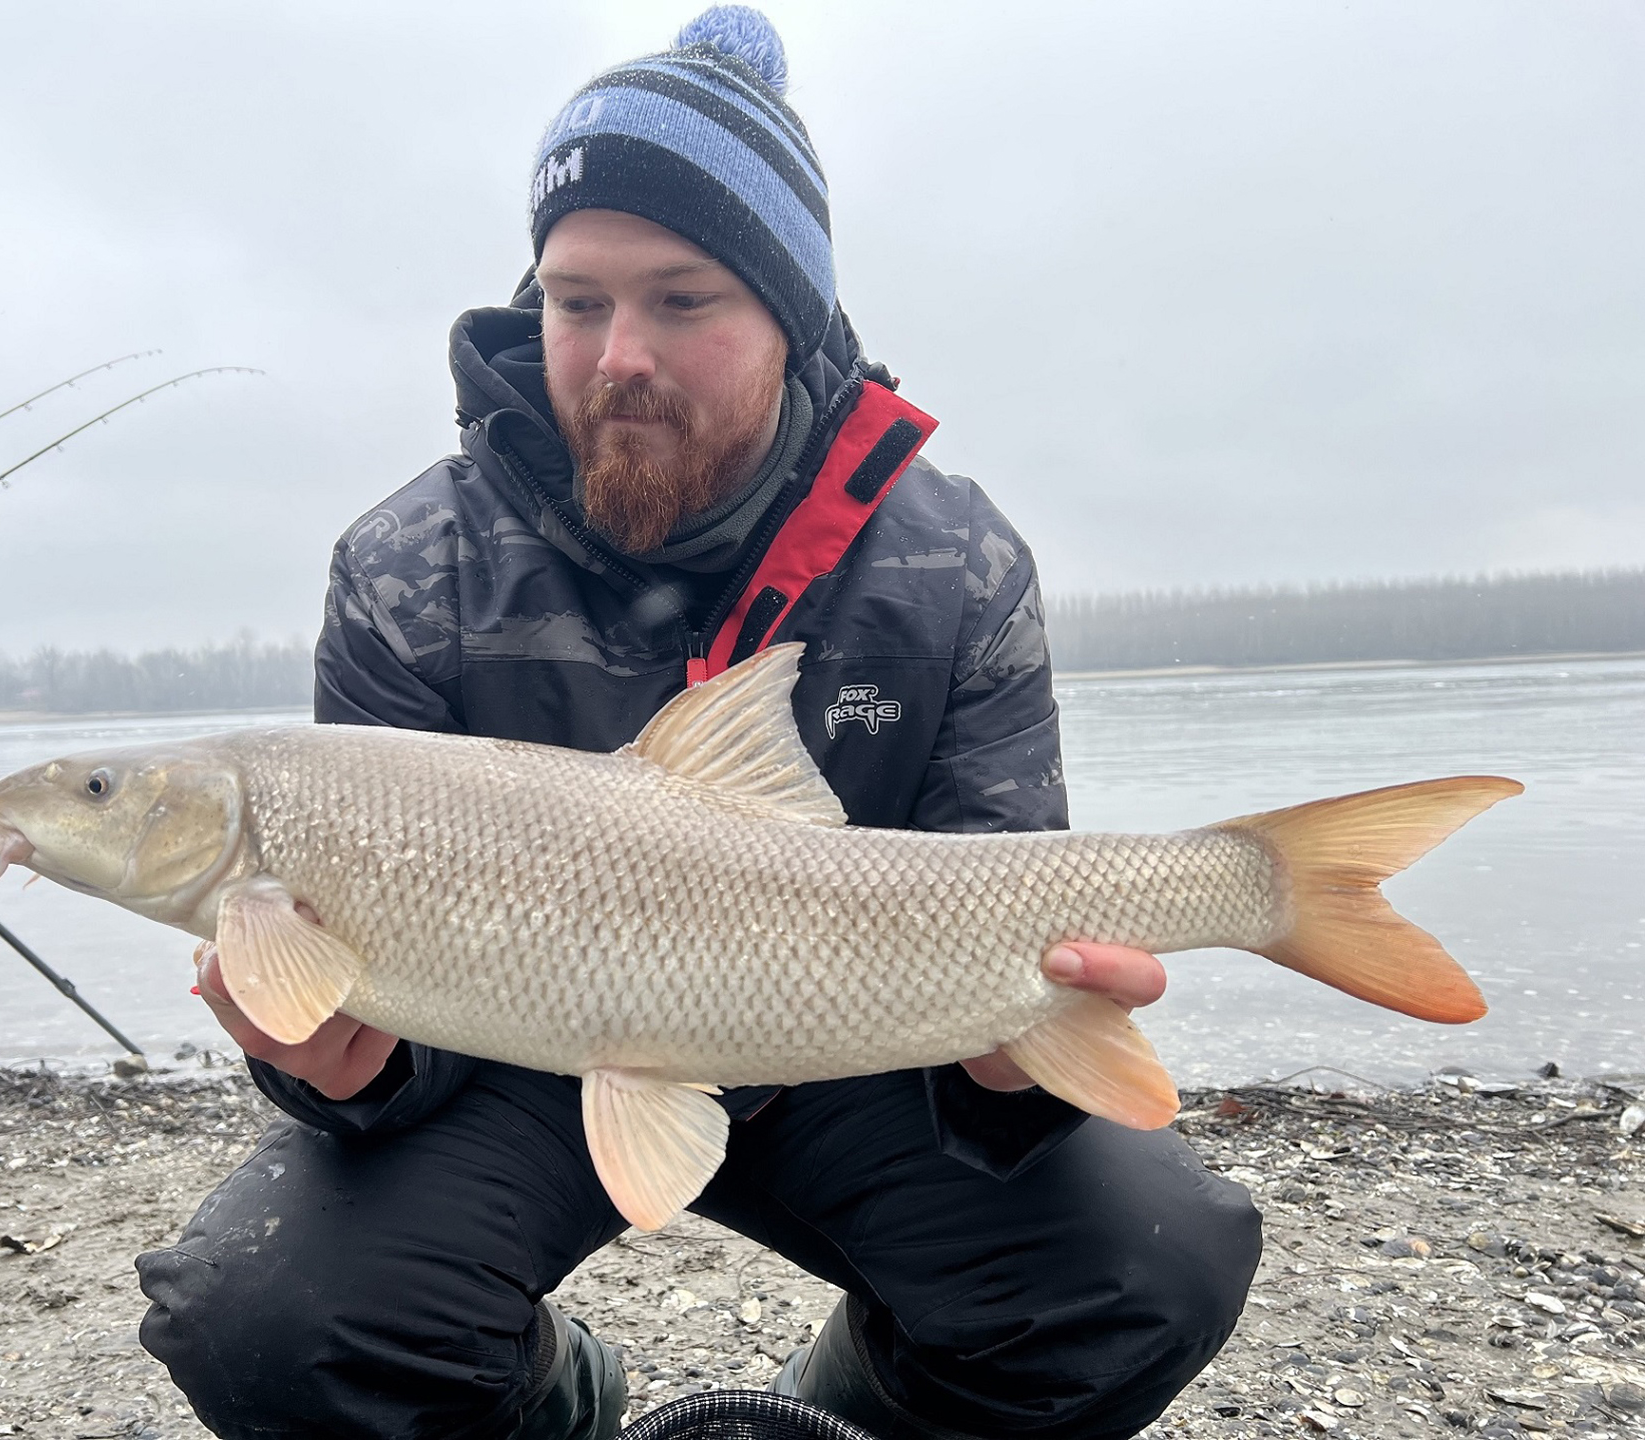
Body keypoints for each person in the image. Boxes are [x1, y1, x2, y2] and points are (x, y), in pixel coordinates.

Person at [137, 10, 1261, 1438]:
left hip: (862, 1047)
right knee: (264, 1324)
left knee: (1148, 1269)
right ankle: (562, 1404)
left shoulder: (956, 563)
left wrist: (1012, 1059)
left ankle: (846, 1409)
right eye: (576, 299)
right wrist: (341, 1066)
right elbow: (369, 1012)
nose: (617, 354)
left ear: (789, 313)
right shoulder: (409, 568)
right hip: (526, 1054)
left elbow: (1002, 897)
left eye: (683, 299)